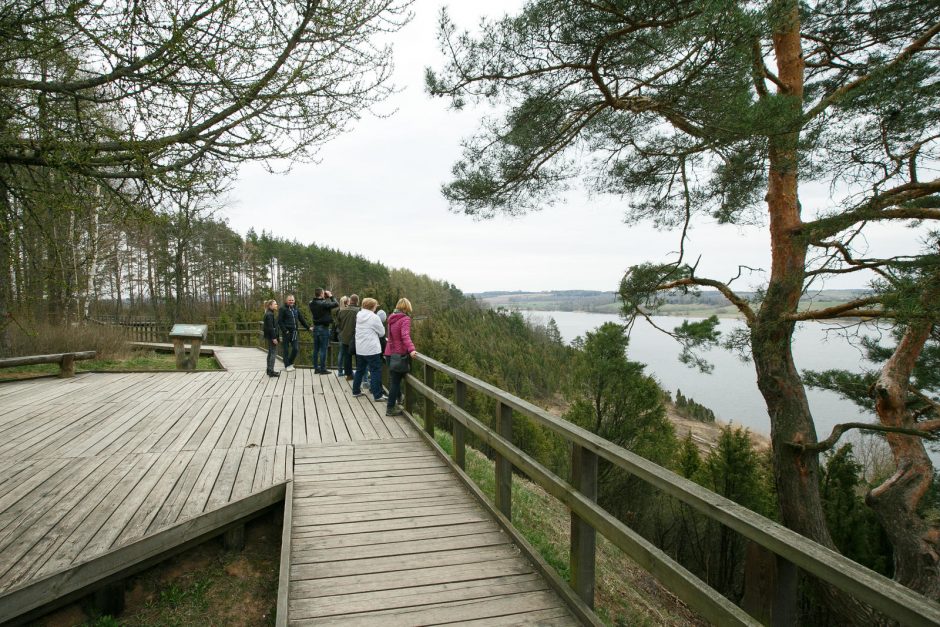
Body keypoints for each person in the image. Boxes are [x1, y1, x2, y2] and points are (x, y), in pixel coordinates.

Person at [384, 297, 417, 415]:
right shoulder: (405, 319)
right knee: (395, 382)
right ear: (407, 307)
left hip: (389, 353)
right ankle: (390, 408)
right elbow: (405, 336)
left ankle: (398, 399)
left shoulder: (392, 318)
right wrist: (412, 349)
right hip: (398, 354)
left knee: (394, 380)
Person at [351, 297, 386, 402]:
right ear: (372, 306)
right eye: (375, 306)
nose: (376, 308)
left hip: (360, 348)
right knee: (375, 371)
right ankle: (377, 395)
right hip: (372, 349)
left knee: (360, 370)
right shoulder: (374, 317)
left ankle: (356, 391)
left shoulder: (359, 315)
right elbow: (382, 333)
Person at [277, 294, 311, 371]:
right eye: (290, 300)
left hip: (294, 332)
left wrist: (308, 327)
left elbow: (301, 319)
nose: (291, 301)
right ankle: (287, 365)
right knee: (286, 350)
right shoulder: (282, 309)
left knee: (295, 349)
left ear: (294, 301)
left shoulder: (295, 309)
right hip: (286, 333)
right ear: (286, 301)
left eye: (292, 300)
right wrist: (285, 331)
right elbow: (280, 321)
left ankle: (290, 363)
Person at [308, 288, 338, 374]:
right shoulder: (323, 304)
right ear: (321, 293)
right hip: (323, 328)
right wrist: (331, 296)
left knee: (316, 349)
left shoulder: (311, 303)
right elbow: (336, 304)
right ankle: (323, 369)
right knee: (323, 349)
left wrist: (324, 297)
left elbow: (321, 303)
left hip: (316, 328)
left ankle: (316, 368)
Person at [335, 294, 360, 380]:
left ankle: (348, 375)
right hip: (356, 338)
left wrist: (343, 331)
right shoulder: (359, 311)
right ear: (357, 301)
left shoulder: (342, 311)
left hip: (344, 337)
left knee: (347, 357)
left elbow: (338, 324)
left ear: (350, 301)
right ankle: (359, 375)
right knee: (358, 357)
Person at [262, 300, 280, 377]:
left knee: (270, 353)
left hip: (269, 336)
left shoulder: (269, 313)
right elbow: (270, 327)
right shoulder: (269, 314)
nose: (276, 305)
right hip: (271, 337)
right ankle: (271, 371)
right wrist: (274, 338)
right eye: (275, 304)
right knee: (273, 353)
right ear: (270, 306)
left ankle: (269, 370)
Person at [335, 296, 350, 376]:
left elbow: (337, 323)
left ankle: (340, 371)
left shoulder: (338, 310)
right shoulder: (346, 311)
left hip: (340, 333)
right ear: (346, 302)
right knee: (345, 353)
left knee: (341, 352)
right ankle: (344, 371)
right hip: (344, 333)